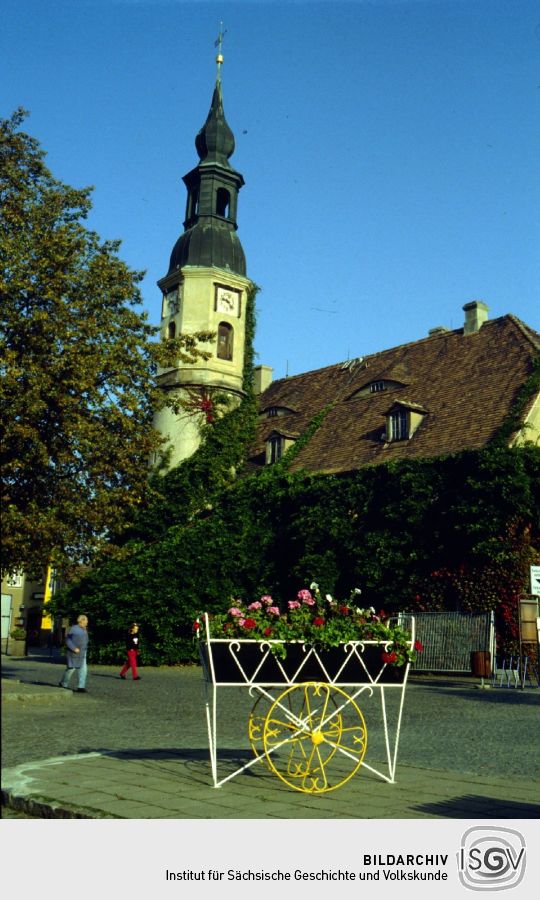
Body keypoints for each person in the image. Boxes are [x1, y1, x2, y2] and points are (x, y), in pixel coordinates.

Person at [59, 614, 89, 693]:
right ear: (82, 621)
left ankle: (81, 686)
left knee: (83, 669)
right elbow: (68, 640)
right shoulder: (74, 629)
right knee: (71, 669)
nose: (87, 622)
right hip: (74, 653)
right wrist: (74, 648)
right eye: (86, 620)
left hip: (83, 653)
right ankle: (63, 683)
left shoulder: (84, 629)